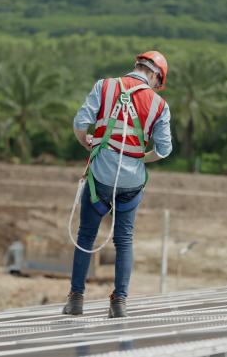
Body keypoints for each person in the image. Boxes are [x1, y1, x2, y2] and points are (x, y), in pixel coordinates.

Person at [64, 51, 172, 318]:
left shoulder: (105, 86)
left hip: (100, 177)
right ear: (156, 76)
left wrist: (87, 142)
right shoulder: (159, 105)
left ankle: (76, 299)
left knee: (86, 236)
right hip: (132, 182)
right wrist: (140, 159)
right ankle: (119, 302)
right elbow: (164, 150)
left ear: (137, 66)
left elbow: (80, 123)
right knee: (124, 240)